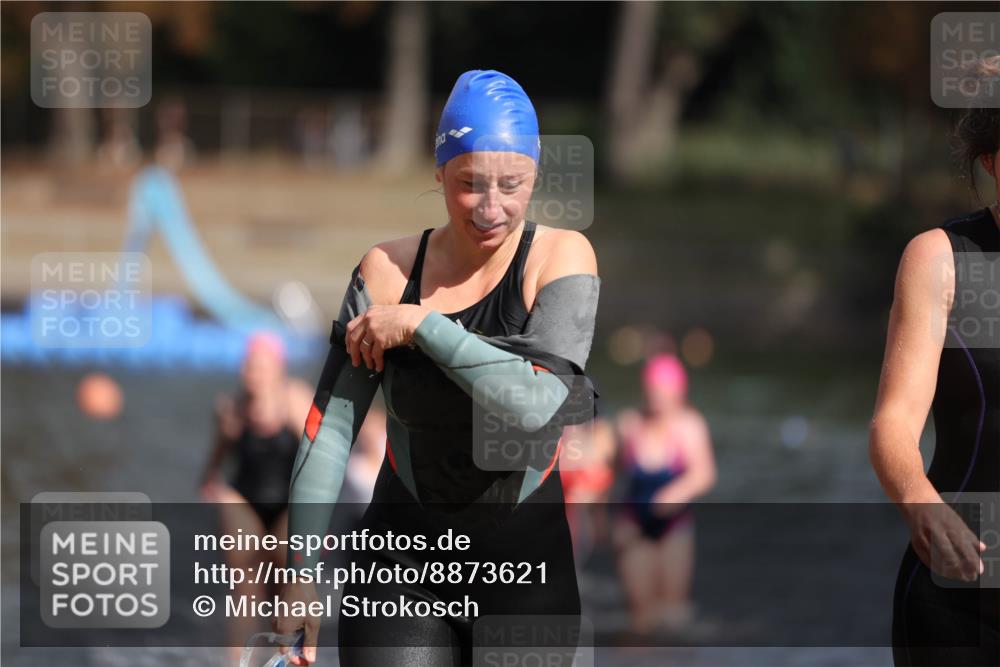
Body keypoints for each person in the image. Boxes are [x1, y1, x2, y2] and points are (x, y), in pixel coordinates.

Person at [275, 70, 601, 666]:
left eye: (513, 184)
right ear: (438, 173)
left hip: (523, 575)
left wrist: (422, 326)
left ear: (536, 173)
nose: (492, 207)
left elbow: (535, 407)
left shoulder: (561, 258)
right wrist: (301, 574)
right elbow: (331, 428)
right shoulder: (386, 272)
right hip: (398, 567)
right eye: (469, 184)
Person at [871, 59, 999, 667]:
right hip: (959, 591)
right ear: (992, 164)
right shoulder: (942, 260)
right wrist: (921, 505)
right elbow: (893, 425)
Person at [199, 332, 312, 661]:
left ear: (278, 369)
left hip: (290, 502)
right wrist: (208, 483)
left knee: (284, 582)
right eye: (249, 366)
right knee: (245, 583)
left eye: (261, 367)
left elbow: (321, 457)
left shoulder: (293, 400)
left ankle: (288, 656)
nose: (253, 374)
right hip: (244, 497)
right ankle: (238, 661)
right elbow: (217, 458)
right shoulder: (231, 409)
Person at [613, 354, 716, 635]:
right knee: (641, 618)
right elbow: (609, 470)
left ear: (678, 392)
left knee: (673, 614)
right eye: (653, 391)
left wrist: (677, 491)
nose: (658, 398)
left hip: (675, 527)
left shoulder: (690, 426)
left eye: (664, 392)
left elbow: (704, 474)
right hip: (634, 525)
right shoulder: (629, 424)